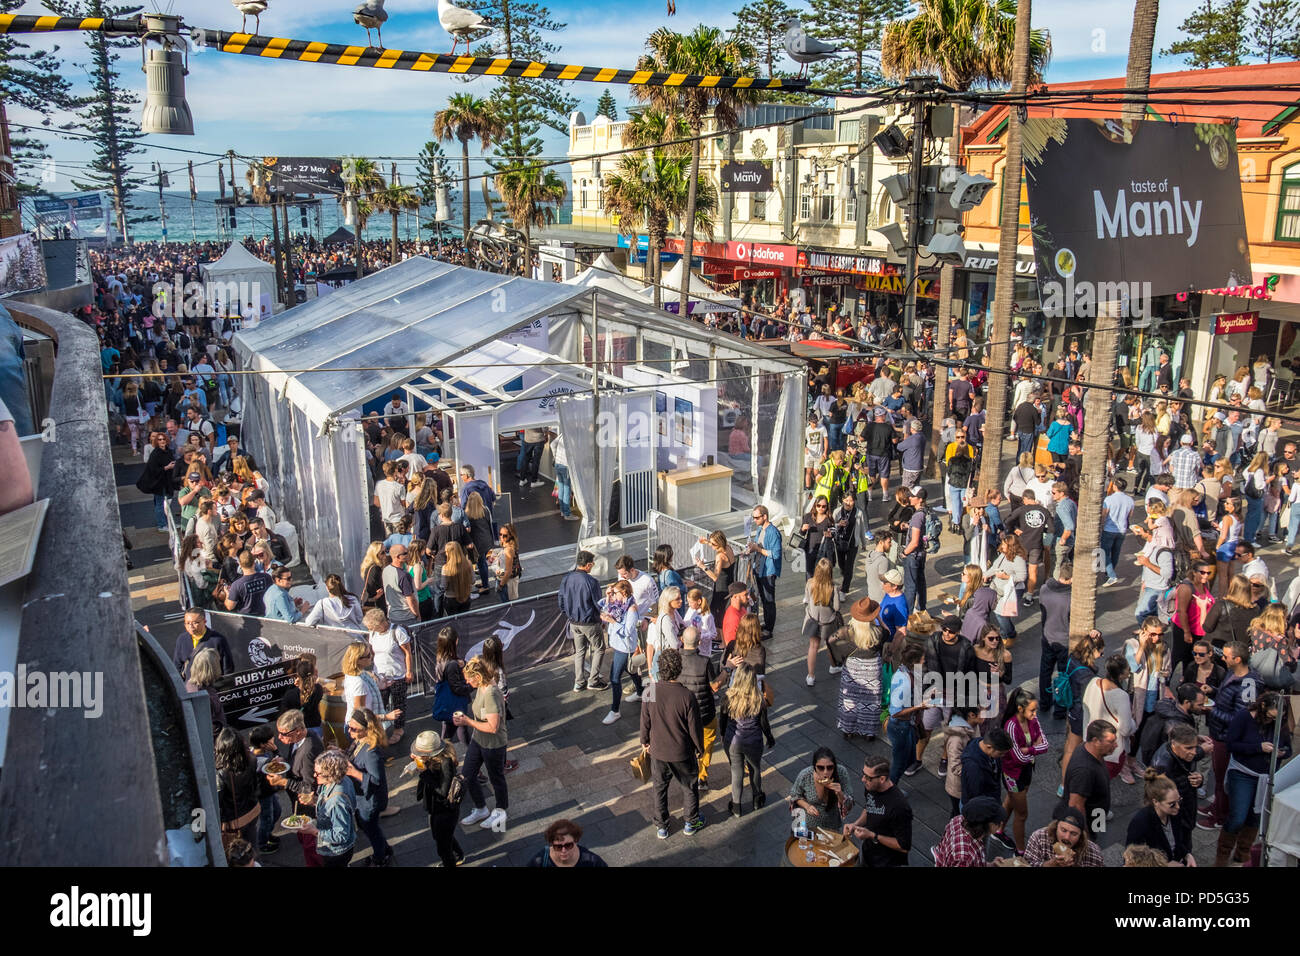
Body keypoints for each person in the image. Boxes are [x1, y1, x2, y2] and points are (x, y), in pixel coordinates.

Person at [639, 649, 706, 839]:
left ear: (660, 669)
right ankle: (690, 822)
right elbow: (695, 728)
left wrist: (645, 742)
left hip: (658, 751)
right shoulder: (687, 696)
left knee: (659, 788)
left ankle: (662, 826)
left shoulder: (649, 691)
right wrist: (699, 749)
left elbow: (644, 723)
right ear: (679, 669)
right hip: (682, 752)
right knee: (689, 787)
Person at [1219, 691, 1287, 866]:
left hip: (1265, 777)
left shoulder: (1279, 721)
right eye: (1273, 715)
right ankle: (1222, 858)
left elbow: (1287, 745)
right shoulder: (1243, 717)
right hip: (1242, 773)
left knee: (1255, 817)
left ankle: (1243, 854)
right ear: (1263, 706)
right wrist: (1258, 747)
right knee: (1238, 817)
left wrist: (1282, 752)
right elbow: (1232, 745)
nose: (1275, 719)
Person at [1205, 641, 1263, 829]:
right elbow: (1225, 698)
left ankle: (1220, 816)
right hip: (1218, 733)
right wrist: (1213, 692)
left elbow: (1240, 718)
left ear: (1237, 659)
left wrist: (1211, 709)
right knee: (1218, 774)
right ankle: (1217, 806)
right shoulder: (1232, 672)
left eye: (1226, 656)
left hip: (1226, 736)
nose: (1223, 658)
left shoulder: (1248, 685)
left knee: (1223, 778)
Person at [456, 656, 510, 833]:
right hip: (478, 740)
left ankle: (500, 811)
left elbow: (493, 727)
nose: (466, 681)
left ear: (478, 677)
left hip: (493, 744)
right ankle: (481, 808)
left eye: (468, 678)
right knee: (467, 775)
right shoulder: (482, 686)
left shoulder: (491, 694)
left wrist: (468, 722)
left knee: (496, 779)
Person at [998, 689, 1049, 855]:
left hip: (1026, 770)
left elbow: (1045, 745)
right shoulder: (1011, 726)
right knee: (1022, 814)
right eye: (1032, 710)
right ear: (1020, 709)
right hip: (1013, 774)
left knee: (1011, 801)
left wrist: (1029, 749)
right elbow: (1018, 757)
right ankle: (1020, 851)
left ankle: (998, 830)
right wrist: (1034, 748)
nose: (1035, 714)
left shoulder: (1033, 720)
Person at [844, 755, 913, 867]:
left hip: (887, 862)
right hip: (868, 854)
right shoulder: (871, 787)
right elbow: (869, 808)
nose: (863, 779)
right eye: (863, 774)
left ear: (882, 779)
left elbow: (904, 846)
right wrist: (855, 824)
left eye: (868, 777)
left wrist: (872, 835)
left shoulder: (899, 807)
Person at [411, 730, 465, 868]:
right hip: (435, 809)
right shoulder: (431, 759)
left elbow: (442, 791)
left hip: (445, 811)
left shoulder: (446, 763)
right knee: (440, 837)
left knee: (443, 848)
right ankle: (458, 854)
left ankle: (451, 862)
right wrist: (419, 763)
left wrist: (424, 772)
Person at [346, 708, 393, 865]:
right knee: (368, 826)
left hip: (370, 800)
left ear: (367, 730)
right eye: (349, 726)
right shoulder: (359, 741)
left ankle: (380, 858)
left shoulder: (371, 752)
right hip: (362, 797)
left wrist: (353, 772)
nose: (349, 731)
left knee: (371, 829)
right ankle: (385, 849)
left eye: (354, 728)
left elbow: (376, 780)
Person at [297, 749, 358, 868]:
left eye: (318, 773)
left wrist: (314, 831)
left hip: (335, 852)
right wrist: (314, 801)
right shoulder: (343, 780)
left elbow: (341, 835)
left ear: (332, 774)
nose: (314, 775)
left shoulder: (336, 801)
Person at [1060, 719, 1119, 840]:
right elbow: (1076, 805)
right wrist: (1086, 837)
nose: (1116, 745)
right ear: (1096, 741)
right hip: (1089, 821)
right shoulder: (1084, 771)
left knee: (1098, 833)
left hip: (1098, 814)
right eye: (1111, 742)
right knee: (1092, 847)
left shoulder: (1088, 748)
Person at [837, 599, 886, 741]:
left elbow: (832, 641)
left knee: (850, 700)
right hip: (872, 668)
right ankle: (868, 732)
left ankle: (848, 729)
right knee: (871, 700)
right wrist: (878, 619)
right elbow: (888, 632)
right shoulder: (878, 632)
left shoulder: (848, 632)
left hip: (852, 667)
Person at [722, 663, 766, 817]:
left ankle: (736, 807)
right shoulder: (759, 698)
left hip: (733, 740)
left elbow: (722, 721)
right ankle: (756, 799)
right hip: (754, 741)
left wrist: (723, 736)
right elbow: (764, 723)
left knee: (736, 772)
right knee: (755, 769)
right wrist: (770, 737)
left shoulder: (728, 697)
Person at [365, 608, 413, 745]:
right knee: (380, 704)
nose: (370, 629)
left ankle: (398, 730)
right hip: (379, 676)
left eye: (371, 626)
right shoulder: (373, 633)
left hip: (397, 675)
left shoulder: (397, 632)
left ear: (380, 623)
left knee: (399, 703)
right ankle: (378, 731)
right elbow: (374, 653)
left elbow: (408, 653)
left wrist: (409, 672)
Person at [560, 551, 607, 693]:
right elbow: (599, 604)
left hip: (574, 621)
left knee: (580, 652)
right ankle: (593, 680)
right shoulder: (591, 582)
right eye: (592, 564)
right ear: (588, 565)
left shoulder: (566, 579)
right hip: (590, 622)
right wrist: (602, 619)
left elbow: (561, 602)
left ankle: (579, 682)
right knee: (599, 648)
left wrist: (569, 615)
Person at [601, 579, 642, 724]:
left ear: (623, 592)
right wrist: (608, 597)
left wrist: (612, 622)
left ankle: (615, 710)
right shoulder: (619, 605)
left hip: (624, 647)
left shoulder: (631, 609)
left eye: (615, 593)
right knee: (630, 669)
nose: (614, 596)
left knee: (614, 678)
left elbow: (627, 631)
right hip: (619, 645)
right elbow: (605, 607)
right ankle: (641, 692)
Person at [214, 727, 261, 853]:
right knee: (252, 845)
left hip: (235, 821)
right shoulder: (252, 759)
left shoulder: (221, 773)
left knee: (237, 853)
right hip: (253, 810)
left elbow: (217, 801)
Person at [788, 747, 856, 832]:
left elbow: (849, 803)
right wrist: (807, 806)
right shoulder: (805, 775)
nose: (825, 772)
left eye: (830, 767)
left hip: (831, 824)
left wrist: (839, 793)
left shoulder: (841, 773)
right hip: (807, 825)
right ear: (814, 767)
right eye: (820, 768)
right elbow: (795, 795)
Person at [887, 645, 926, 783]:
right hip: (900, 727)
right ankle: (891, 789)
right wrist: (919, 707)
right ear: (914, 662)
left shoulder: (906, 671)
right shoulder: (905, 681)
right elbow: (896, 713)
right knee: (899, 763)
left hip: (907, 725)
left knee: (909, 758)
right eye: (922, 659)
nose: (924, 661)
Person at [802, 557, 844, 687]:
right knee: (830, 645)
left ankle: (810, 676)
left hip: (813, 620)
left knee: (813, 647)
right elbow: (837, 607)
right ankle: (833, 666)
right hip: (828, 622)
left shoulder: (810, 583)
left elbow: (807, 600)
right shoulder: (833, 587)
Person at [933, 796, 1008, 867]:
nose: (1001, 823)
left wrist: (991, 865)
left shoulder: (959, 819)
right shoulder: (965, 856)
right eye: (998, 822)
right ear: (990, 825)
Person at [1024, 806, 1104, 867]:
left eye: (1073, 834)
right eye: (1063, 830)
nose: (1067, 837)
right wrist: (1051, 864)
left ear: (1081, 836)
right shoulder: (1039, 838)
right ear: (1056, 827)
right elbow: (1027, 863)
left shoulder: (1094, 854)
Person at [746, 505, 782, 637]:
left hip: (768, 571)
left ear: (764, 516)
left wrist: (758, 549)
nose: (754, 520)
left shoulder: (773, 532)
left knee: (769, 600)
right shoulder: (760, 529)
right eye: (753, 517)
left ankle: (769, 629)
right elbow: (757, 546)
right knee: (763, 599)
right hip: (759, 569)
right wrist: (752, 548)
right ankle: (766, 624)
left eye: (756, 517)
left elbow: (776, 554)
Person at [172, 608, 234, 679]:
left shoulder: (218, 640)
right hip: (190, 686)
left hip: (212, 686)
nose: (191, 626)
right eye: (188, 623)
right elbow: (177, 666)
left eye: (195, 623)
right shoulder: (182, 639)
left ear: (204, 621)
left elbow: (227, 668)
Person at [527, 818, 609, 868]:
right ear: (552, 844)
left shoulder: (592, 861)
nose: (563, 850)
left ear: (576, 841)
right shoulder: (539, 861)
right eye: (558, 847)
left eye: (568, 845)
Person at [695, 530, 736, 622]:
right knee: (723, 611)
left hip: (721, 588)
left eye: (713, 544)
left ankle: (719, 634)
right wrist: (706, 542)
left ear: (719, 543)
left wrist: (702, 566)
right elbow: (715, 543)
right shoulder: (728, 548)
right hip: (730, 584)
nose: (712, 546)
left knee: (717, 613)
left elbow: (715, 577)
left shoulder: (720, 556)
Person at [900, 486, 929, 612]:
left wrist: (904, 553)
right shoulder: (926, 511)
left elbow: (915, 542)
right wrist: (909, 526)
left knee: (910, 587)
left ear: (920, 499)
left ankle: (907, 615)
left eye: (913, 496)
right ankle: (921, 608)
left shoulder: (917, 516)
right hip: (921, 554)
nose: (910, 498)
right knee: (921, 583)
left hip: (913, 555)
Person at [383, 542, 419, 626]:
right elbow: (411, 600)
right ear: (398, 557)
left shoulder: (386, 570)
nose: (409, 554)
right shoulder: (404, 576)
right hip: (407, 617)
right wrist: (417, 614)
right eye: (405, 553)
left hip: (392, 615)